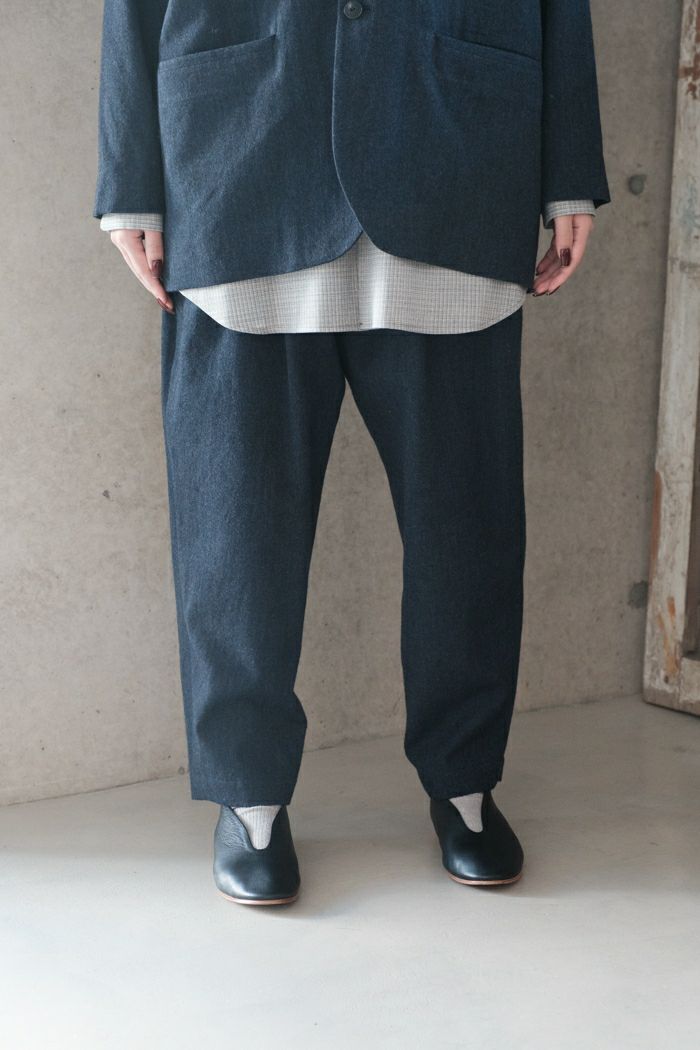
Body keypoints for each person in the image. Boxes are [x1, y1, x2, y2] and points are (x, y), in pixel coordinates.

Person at [94, 0, 610, 905]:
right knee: (236, 535)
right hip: (240, 155)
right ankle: (249, 795)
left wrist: (569, 168)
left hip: (453, 151)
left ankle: (465, 780)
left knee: (467, 530)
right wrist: (129, 178)